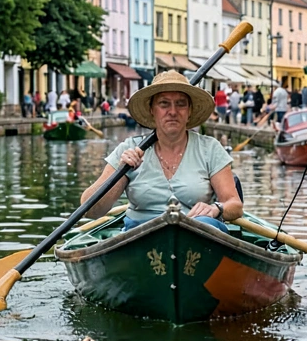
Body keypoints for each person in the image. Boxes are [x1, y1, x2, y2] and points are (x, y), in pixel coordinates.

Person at [81, 70, 241, 234]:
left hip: (197, 234)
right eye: (164, 104)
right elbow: (91, 211)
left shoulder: (210, 149)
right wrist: (121, 171)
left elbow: (234, 205)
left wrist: (216, 209)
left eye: (180, 104)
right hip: (140, 235)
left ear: (189, 111)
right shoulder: (129, 149)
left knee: (206, 223)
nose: (173, 111)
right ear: (152, 110)